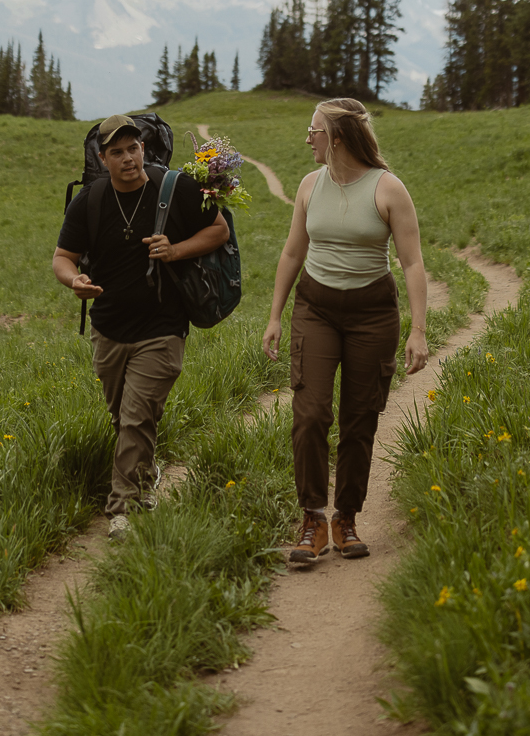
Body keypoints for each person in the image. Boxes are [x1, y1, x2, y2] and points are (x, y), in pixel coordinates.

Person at [262, 98, 429, 565]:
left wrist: (419, 329)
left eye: (313, 129)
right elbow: (293, 253)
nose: (307, 137)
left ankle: (347, 516)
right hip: (315, 308)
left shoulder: (388, 188)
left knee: (360, 419)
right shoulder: (309, 185)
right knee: (310, 413)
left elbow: (413, 261)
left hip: (373, 313)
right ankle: (312, 518)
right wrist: (275, 316)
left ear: (336, 138)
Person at [54, 114, 230, 537]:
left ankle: (122, 510)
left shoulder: (176, 189)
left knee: (135, 417)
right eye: (117, 152)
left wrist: (176, 250)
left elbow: (219, 231)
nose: (128, 158)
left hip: (163, 326)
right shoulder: (91, 200)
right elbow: (63, 256)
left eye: (133, 148)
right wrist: (73, 280)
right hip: (109, 327)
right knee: (125, 417)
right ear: (103, 158)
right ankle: (146, 478)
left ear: (143, 149)